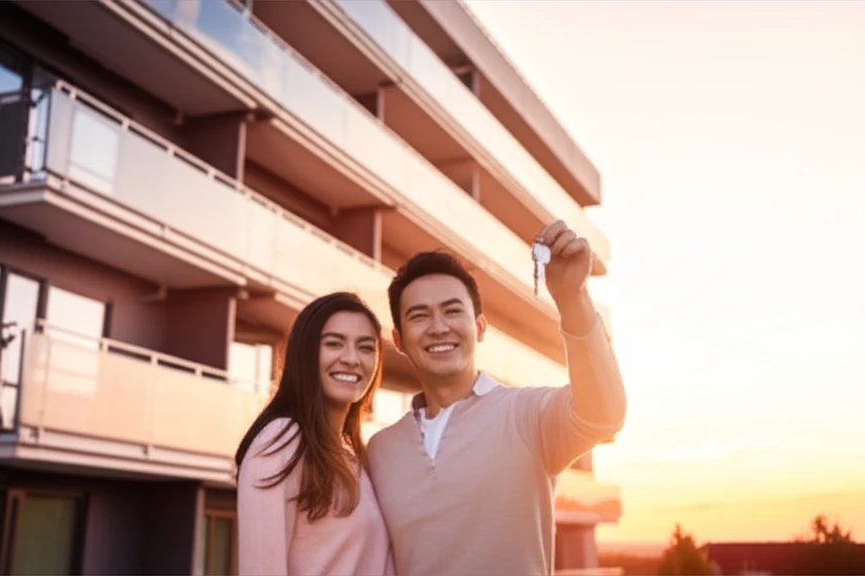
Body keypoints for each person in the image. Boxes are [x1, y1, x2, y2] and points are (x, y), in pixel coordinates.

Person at [367, 220, 628, 575]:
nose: (439, 327)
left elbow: (605, 414)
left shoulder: (526, 415)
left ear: (480, 327)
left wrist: (573, 298)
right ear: (398, 340)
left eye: (452, 311)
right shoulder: (381, 450)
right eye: (419, 316)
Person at [235, 292, 394, 576]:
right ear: (306, 354)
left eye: (366, 347)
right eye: (334, 343)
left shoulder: (354, 457)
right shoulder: (281, 439)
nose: (352, 359)